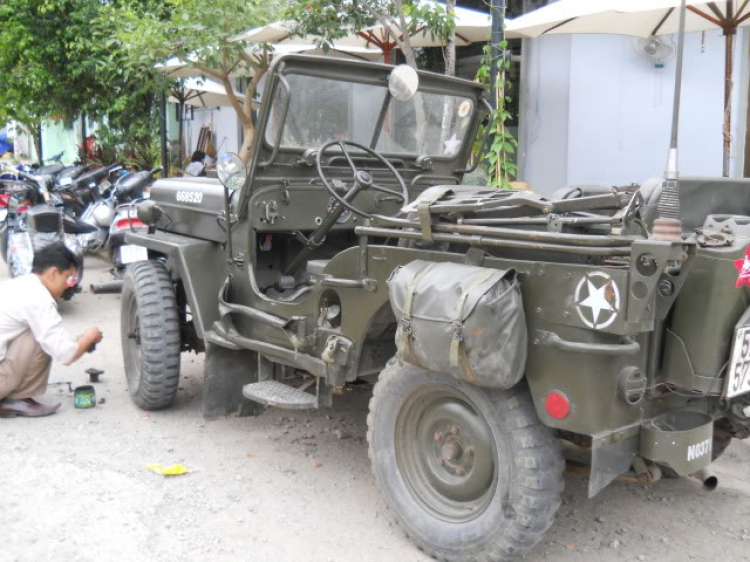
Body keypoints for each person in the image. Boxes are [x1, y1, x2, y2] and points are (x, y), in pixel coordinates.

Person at [0, 242, 103, 417]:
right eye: (69, 278)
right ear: (54, 273)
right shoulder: (39, 299)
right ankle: (17, 398)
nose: (69, 285)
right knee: (41, 338)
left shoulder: (18, 285)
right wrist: (88, 338)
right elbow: (65, 354)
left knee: (39, 332)